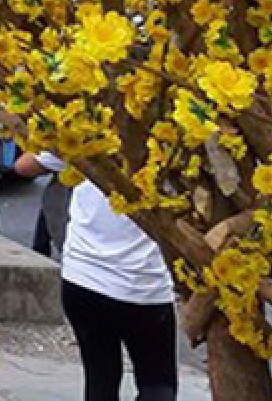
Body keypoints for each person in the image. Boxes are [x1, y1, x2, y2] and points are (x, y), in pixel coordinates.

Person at [15, 153, 177, 401]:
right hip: (144, 285)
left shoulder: (87, 130)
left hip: (83, 275)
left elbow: (23, 166)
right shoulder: (172, 143)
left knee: (100, 378)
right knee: (156, 383)